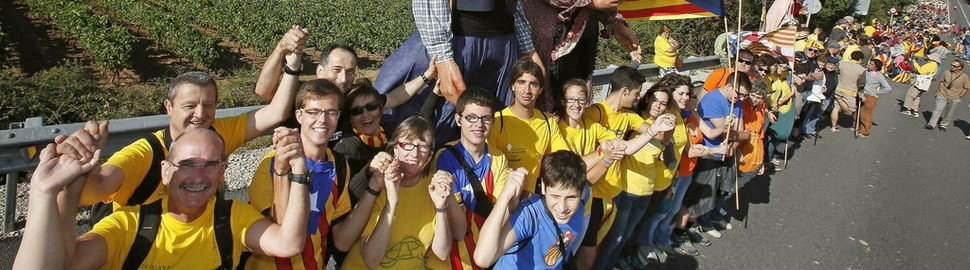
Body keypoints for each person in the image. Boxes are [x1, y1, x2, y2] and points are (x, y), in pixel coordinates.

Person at [14, 128, 310, 269]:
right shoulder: (129, 226)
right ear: (166, 172)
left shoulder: (233, 217)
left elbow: (288, 243)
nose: (199, 175)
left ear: (222, 173)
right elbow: (57, 266)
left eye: (210, 165)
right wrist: (49, 192)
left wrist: (298, 171)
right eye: (188, 164)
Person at [57, 67, 300, 218]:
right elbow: (93, 191)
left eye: (208, 105)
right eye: (189, 106)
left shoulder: (217, 133)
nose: (200, 114)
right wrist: (81, 170)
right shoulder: (145, 153)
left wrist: (292, 63)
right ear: (169, 107)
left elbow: (276, 112)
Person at [375, 0, 541, 145]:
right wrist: (442, 54)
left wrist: (527, 47)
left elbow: (515, 6)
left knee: (494, 117)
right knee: (446, 115)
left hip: (504, 44)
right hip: (460, 42)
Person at [246, 79, 354, 269]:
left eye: (330, 112)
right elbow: (279, 229)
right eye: (313, 112)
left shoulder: (339, 165)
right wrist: (286, 171)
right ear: (299, 115)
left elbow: (339, 231)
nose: (322, 119)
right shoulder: (271, 163)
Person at [556, 78, 662, 269]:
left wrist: (653, 130)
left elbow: (626, 148)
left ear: (587, 102)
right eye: (571, 100)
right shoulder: (556, 129)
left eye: (581, 100)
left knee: (581, 258)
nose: (576, 105)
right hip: (561, 207)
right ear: (563, 102)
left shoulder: (593, 127)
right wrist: (602, 155)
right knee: (557, 258)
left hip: (585, 206)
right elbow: (570, 169)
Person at [253, 28, 438, 131]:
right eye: (336, 70)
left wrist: (426, 76)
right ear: (319, 70)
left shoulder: (351, 97)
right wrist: (280, 50)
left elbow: (394, 97)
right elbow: (264, 91)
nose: (343, 79)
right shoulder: (301, 93)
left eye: (350, 71)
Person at [340, 115, 456, 269]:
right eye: (407, 145)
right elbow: (371, 260)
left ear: (430, 153)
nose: (415, 154)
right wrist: (392, 203)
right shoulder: (380, 181)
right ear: (395, 147)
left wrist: (441, 208)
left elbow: (442, 253)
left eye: (422, 147)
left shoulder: (434, 185)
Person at [427, 86, 510, 269]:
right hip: (452, 260)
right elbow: (457, 229)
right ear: (458, 119)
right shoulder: (445, 157)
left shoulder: (498, 158)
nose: (478, 125)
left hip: (485, 255)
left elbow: (499, 212)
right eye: (471, 117)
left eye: (486, 118)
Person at [599, 85, 676, 269]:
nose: (658, 106)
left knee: (625, 236)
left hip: (647, 190)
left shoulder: (663, 127)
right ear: (647, 98)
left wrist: (670, 128)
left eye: (663, 103)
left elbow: (669, 158)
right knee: (614, 237)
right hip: (627, 188)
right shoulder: (634, 120)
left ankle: (612, 265)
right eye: (655, 100)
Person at [473, 150, 590, 269]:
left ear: (582, 192)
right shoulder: (530, 214)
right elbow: (483, 259)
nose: (562, 207)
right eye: (555, 196)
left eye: (571, 198)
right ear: (543, 187)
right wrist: (505, 196)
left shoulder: (584, 195)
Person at [520, 0, 642, 113]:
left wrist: (616, 24)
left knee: (574, 105)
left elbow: (605, 4)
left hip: (580, 43)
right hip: (542, 41)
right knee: (539, 105)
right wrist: (593, 2)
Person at [487, 59, 570, 194]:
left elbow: (561, 160)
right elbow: (489, 167)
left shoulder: (548, 122)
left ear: (541, 90)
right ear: (512, 86)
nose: (527, 90)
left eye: (534, 84)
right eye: (521, 82)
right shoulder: (498, 121)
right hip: (502, 199)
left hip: (532, 198)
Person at [685, 73, 750, 243]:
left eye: (744, 96)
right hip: (711, 153)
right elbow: (727, 133)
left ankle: (712, 216)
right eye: (739, 94)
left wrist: (735, 142)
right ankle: (700, 222)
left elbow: (740, 132)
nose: (741, 99)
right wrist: (737, 136)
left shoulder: (737, 102)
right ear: (729, 87)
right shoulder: (713, 100)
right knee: (706, 190)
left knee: (723, 187)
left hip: (727, 151)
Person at [926, 60, 970, 131]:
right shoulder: (947, 72)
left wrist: (960, 96)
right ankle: (931, 124)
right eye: (951, 65)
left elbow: (966, 88)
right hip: (942, 94)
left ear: (960, 68)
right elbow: (941, 82)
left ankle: (943, 125)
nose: (952, 67)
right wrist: (938, 92)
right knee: (937, 109)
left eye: (954, 66)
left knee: (949, 113)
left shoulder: (964, 77)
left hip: (954, 97)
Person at [831, 51, 866, 132]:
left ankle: (833, 126)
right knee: (850, 111)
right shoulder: (862, 70)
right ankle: (840, 100)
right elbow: (861, 84)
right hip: (851, 91)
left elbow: (836, 72)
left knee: (836, 108)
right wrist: (861, 95)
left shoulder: (842, 63)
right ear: (860, 59)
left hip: (839, 88)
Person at [858, 59, 893, 137]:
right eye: (869, 63)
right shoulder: (865, 71)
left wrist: (877, 91)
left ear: (876, 67)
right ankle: (856, 126)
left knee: (866, 114)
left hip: (870, 96)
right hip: (861, 93)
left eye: (872, 64)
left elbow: (888, 88)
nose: (869, 65)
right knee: (857, 112)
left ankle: (865, 132)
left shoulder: (879, 76)